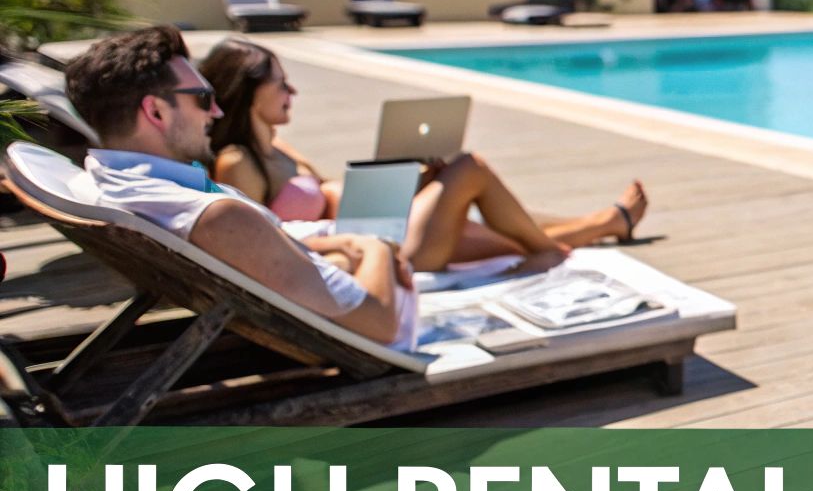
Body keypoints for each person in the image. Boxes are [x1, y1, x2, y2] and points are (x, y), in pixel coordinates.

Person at [62, 25, 416, 348]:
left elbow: (260, 239)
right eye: (202, 98)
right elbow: (382, 325)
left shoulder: (109, 181)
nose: (216, 112)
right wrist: (376, 247)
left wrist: (343, 240)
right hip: (378, 329)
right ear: (156, 113)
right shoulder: (215, 215)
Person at [198, 37, 648, 273]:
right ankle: (573, 240)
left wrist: (410, 178)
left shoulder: (276, 147)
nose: (292, 91)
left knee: (467, 196)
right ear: (249, 89)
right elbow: (261, 242)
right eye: (281, 83)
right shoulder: (239, 162)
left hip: (372, 228)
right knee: (471, 171)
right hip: (375, 252)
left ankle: (601, 224)